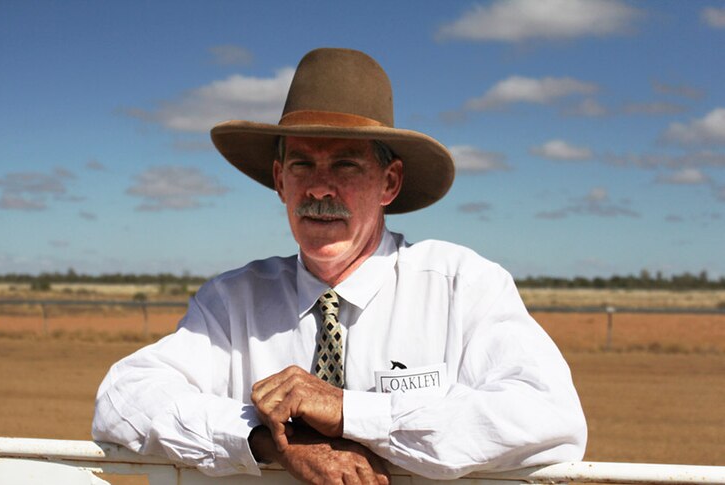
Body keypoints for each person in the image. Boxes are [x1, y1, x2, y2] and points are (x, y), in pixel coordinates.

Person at [92, 48, 587, 484]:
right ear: (279, 180)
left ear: (389, 183)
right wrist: (273, 441)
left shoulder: (463, 285)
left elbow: (549, 415)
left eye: (346, 165)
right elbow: (123, 400)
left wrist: (350, 413)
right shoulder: (232, 301)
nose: (320, 189)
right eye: (302, 165)